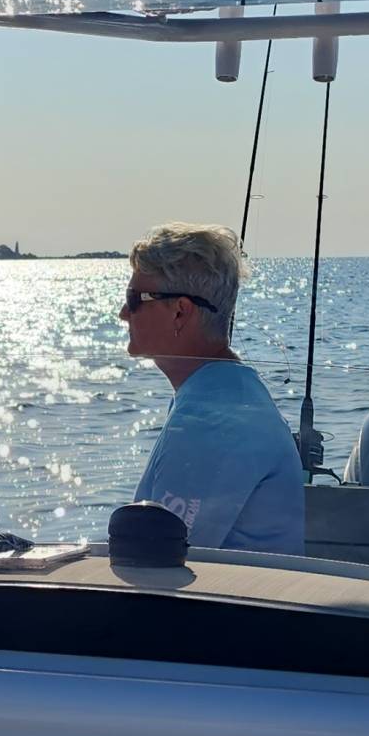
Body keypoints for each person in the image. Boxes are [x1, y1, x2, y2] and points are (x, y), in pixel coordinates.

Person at [121, 222, 304, 554]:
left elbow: (153, 562)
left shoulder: (214, 420)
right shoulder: (226, 392)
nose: (123, 313)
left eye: (134, 299)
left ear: (180, 312)